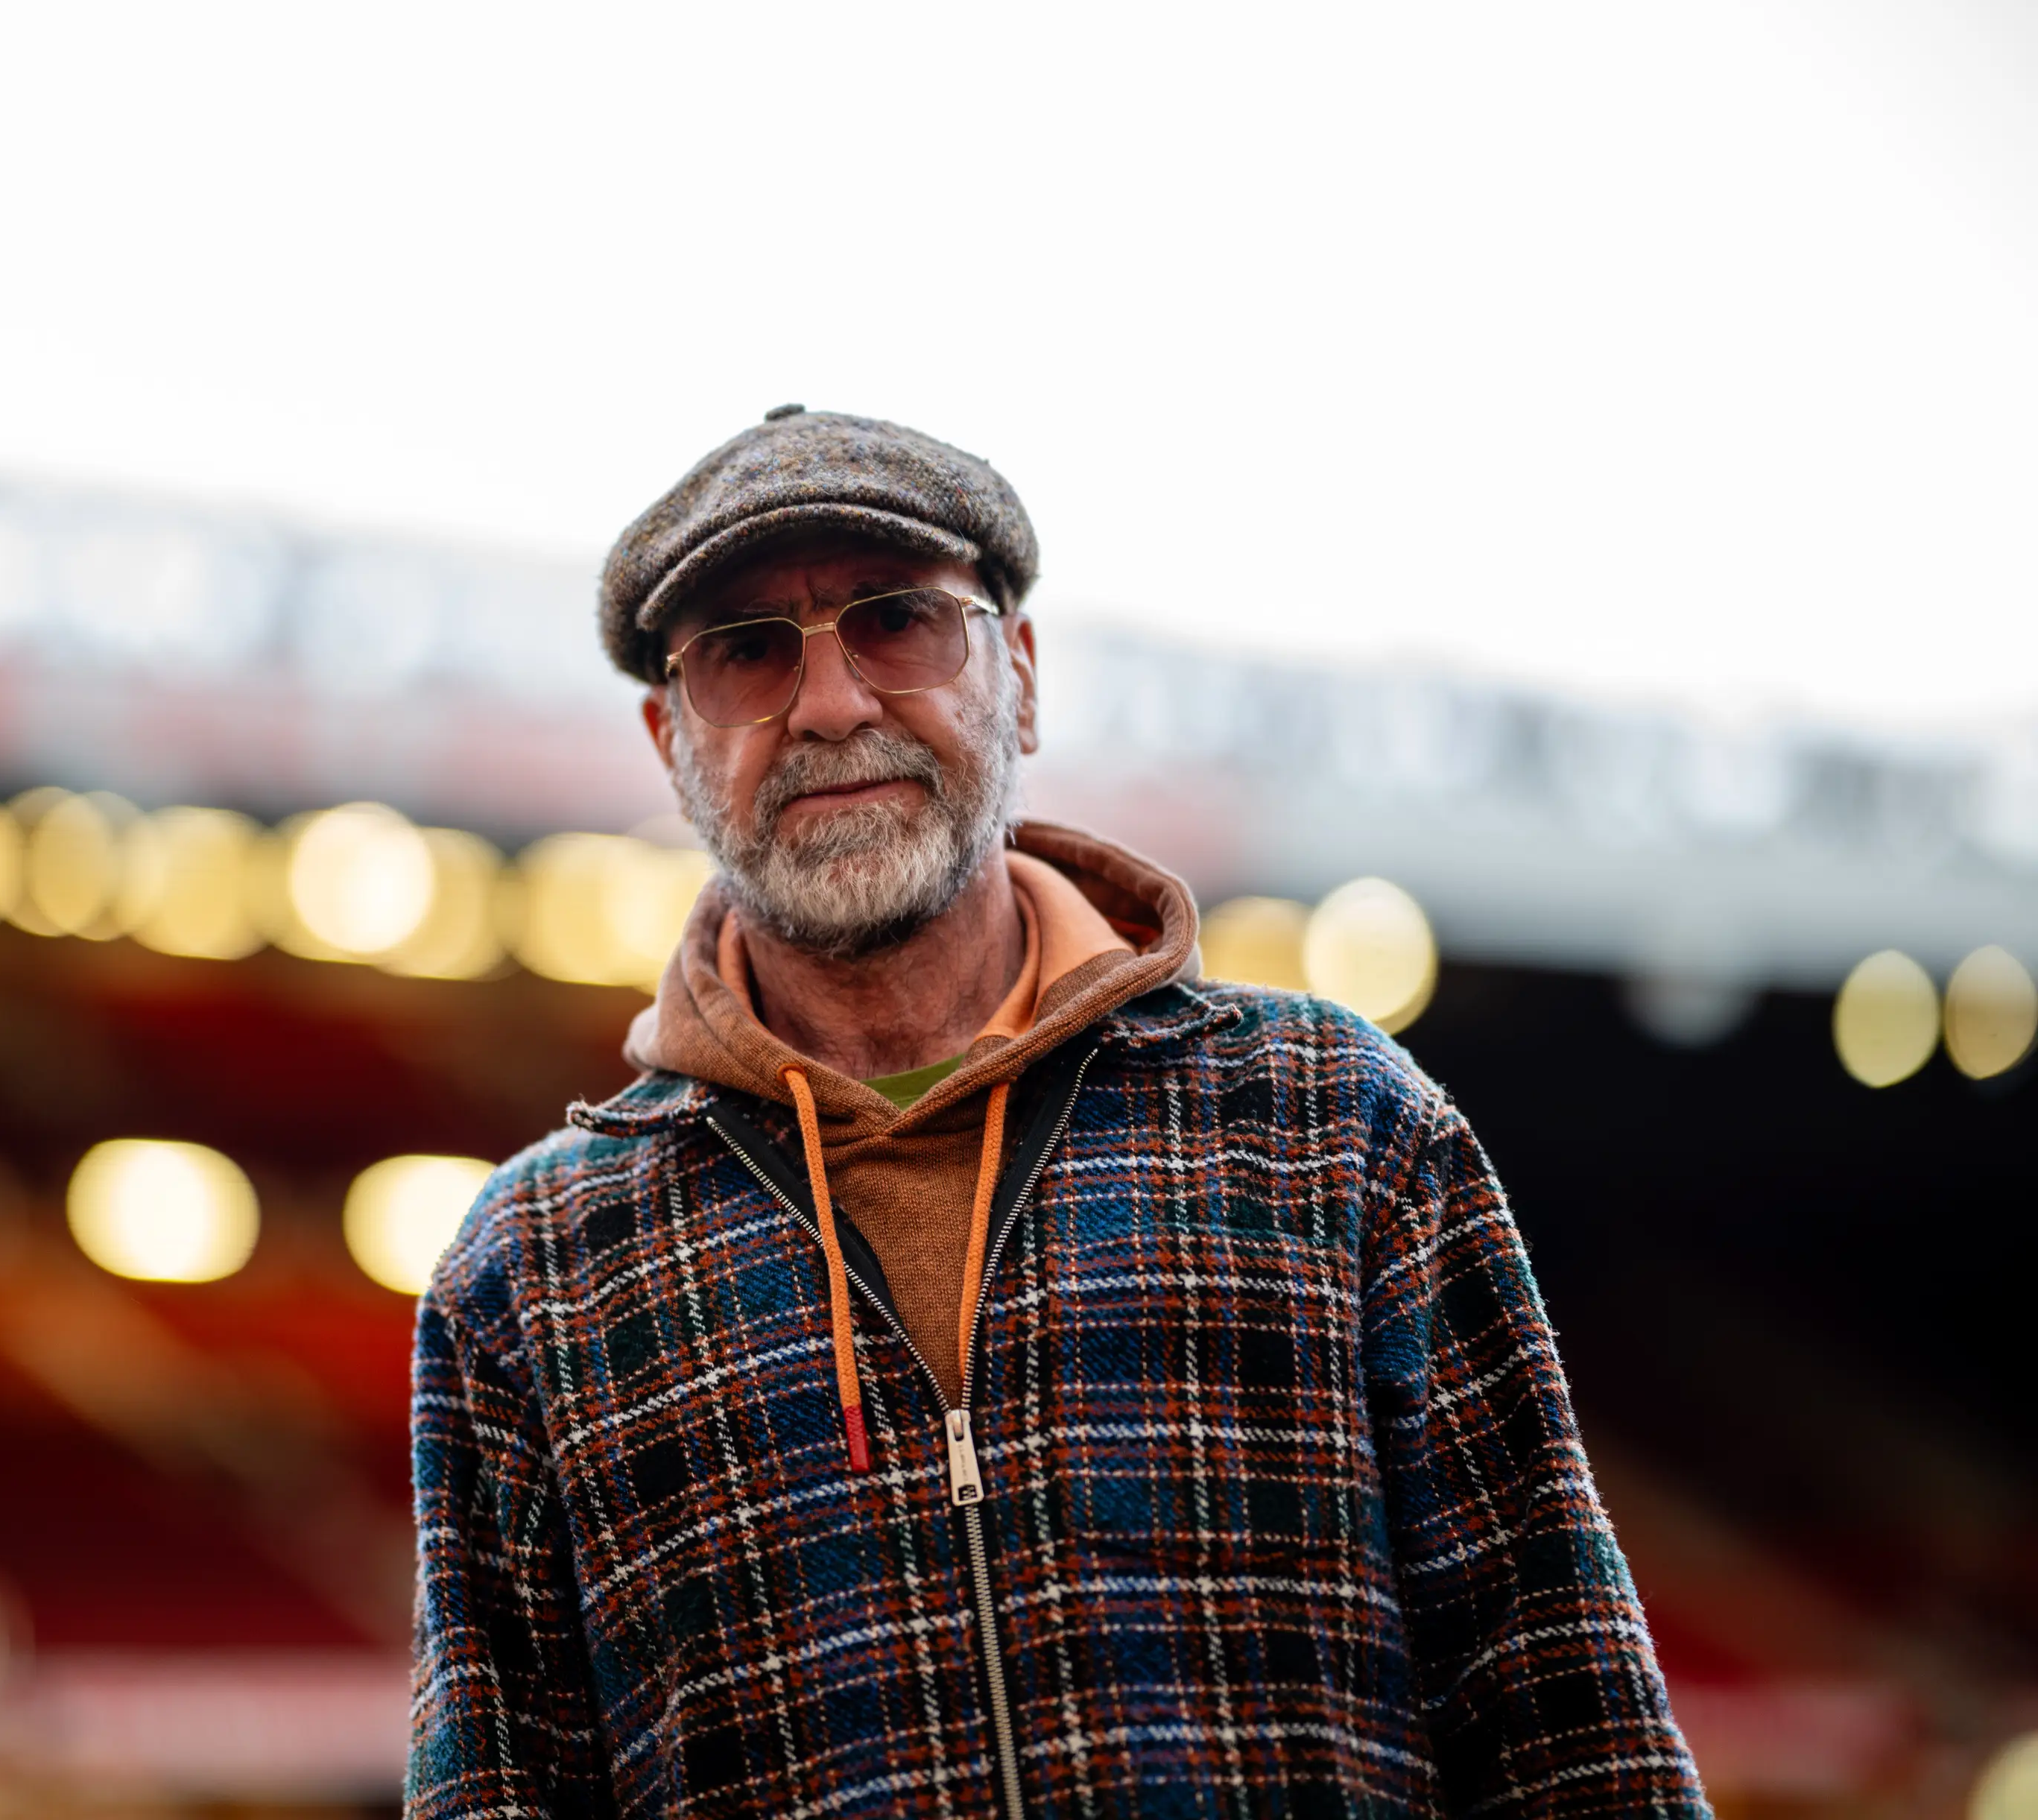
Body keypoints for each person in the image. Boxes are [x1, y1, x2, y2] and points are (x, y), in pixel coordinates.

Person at [406, 408, 1709, 1817]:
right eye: (746, 652)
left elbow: (1579, 1741)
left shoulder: (1334, 1127)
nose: (832, 704)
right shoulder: (533, 1275)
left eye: (898, 621)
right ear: (669, 743)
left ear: (1018, 677)